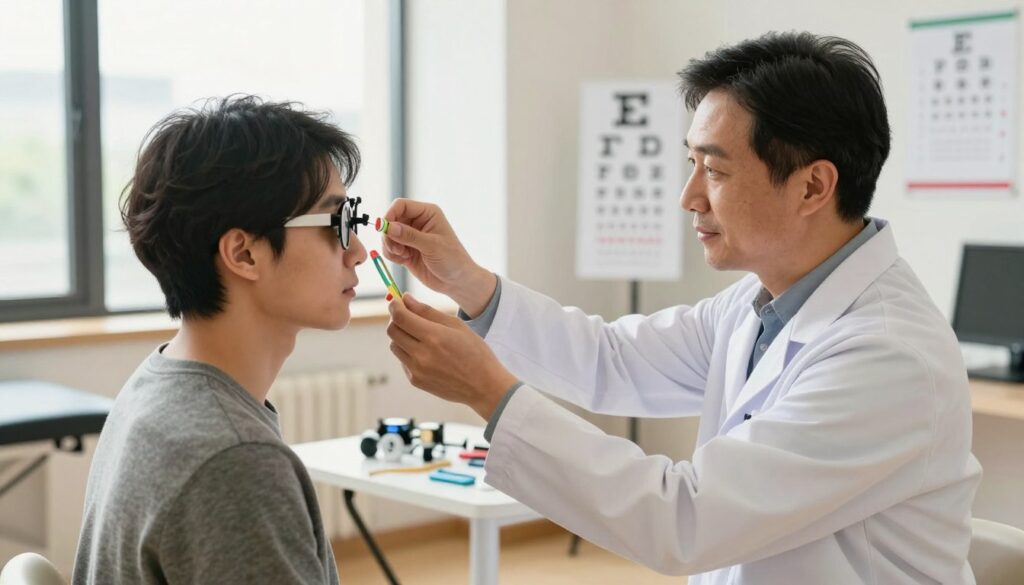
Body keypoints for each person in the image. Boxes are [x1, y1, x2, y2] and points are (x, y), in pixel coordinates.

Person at [381, 32, 981, 584]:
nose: (687, 196)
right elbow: (612, 359)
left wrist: (488, 391)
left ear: (812, 187)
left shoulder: (888, 355)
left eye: (715, 169)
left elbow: (685, 520)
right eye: (690, 162)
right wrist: (470, 285)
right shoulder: (759, 305)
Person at [72, 96, 367, 584]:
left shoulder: (157, 385)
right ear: (243, 254)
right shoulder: (234, 459)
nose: (356, 251)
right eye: (335, 224)